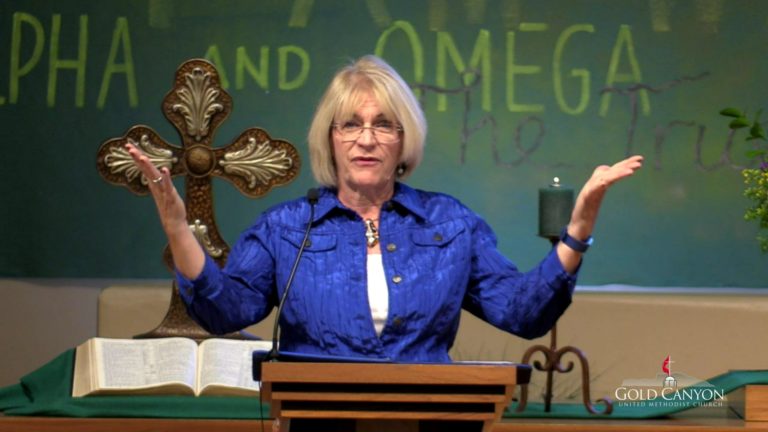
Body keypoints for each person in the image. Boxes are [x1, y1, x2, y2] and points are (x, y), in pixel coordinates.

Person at [126, 55, 643, 363]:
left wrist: (577, 231)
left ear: (404, 141)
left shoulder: (450, 224)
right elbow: (224, 312)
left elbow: (523, 314)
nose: (366, 139)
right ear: (330, 139)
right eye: (350, 124)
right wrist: (178, 229)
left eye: (383, 125)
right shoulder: (287, 228)